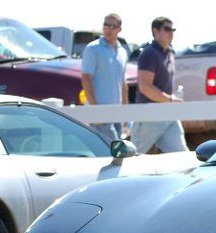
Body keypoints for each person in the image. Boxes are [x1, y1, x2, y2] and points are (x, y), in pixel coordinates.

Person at [130, 17, 188, 153]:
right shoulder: (149, 54)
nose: (171, 32)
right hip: (149, 115)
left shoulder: (170, 53)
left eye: (172, 29)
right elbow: (145, 87)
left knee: (181, 156)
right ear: (155, 31)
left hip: (168, 114)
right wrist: (171, 99)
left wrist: (170, 100)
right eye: (167, 29)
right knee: (132, 157)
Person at [80, 13, 128, 142]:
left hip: (117, 113)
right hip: (100, 114)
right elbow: (86, 79)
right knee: (113, 150)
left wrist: (126, 112)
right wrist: (96, 111)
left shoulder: (122, 52)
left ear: (119, 29)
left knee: (113, 153)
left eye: (112, 26)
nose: (108, 29)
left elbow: (123, 83)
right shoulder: (93, 48)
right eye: (105, 25)